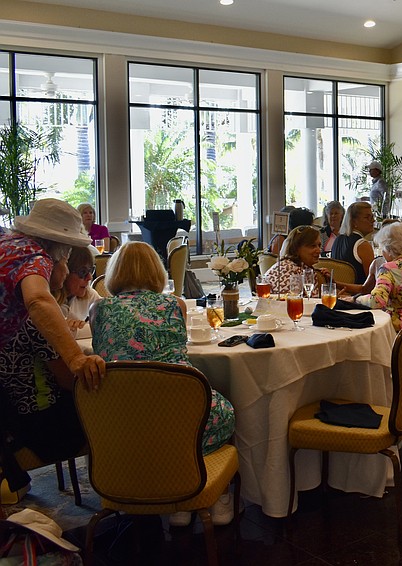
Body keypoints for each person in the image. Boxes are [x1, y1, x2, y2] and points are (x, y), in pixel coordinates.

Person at [90, 241, 236, 525]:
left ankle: (176, 501)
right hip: (176, 415)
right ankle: (209, 496)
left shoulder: (99, 310)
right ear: (157, 272)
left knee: (151, 420)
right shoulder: (174, 304)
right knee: (224, 412)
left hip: (120, 422)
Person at [0, 199, 106, 494]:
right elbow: (38, 299)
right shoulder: (36, 257)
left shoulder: (7, 246)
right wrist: (76, 358)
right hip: (32, 422)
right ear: (60, 251)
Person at [264, 225, 328, 297]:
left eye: (319, 245)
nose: (319, 250)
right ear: (296, 248)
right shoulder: (288, 271)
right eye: (312, 246)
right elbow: (288, 305)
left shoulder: (303, 268)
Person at [53, 246, 100, 338]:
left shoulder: (90, 294)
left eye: (91, 270)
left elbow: (107, 326)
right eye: (82, 272)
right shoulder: (48, 299)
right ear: (65, 272)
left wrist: (74, 330)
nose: (89, 277)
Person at [331, 201, 376, 284]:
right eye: (367, 217)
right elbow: (372, 282)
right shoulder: (362, 245)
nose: (373, 220)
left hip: (339, 292)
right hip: (359, 294)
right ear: (354, 221)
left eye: (372, 217)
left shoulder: (337, 240)